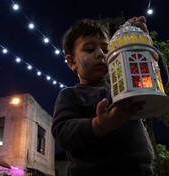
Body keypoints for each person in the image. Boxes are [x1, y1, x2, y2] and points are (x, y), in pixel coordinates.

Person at [51, 16, 168, 176]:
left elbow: (157, 79)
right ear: (72, 62)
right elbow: (62, 133)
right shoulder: (70, 95)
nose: (101, 54)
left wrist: (144, 45)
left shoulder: (124, 83)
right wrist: (98, 125)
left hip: (140, 170)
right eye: (90, 49)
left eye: (106, 50)